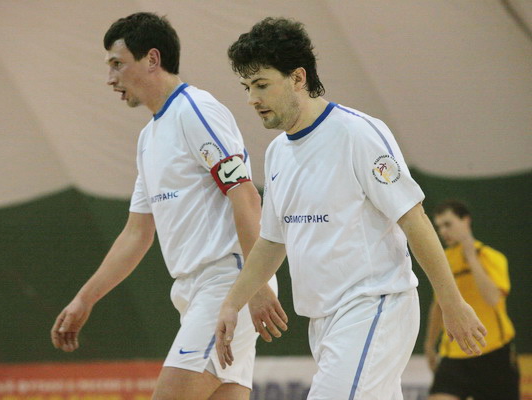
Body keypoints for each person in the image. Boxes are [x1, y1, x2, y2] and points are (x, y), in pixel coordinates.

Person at [215, 17, 487, 399]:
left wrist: (451, 302)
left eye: (261, 85)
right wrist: (232, 303)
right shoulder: (277, 153)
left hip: (374, 307)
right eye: (247, 87)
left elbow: (414, 220)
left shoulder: (357, 133)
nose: (251, 99)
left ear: (297, 78)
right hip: (324, 322)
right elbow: (272, 242)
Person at [50, 12, 283, 400]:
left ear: (152, 59)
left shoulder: (196, 111)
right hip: (194, 294)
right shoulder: (149, 138)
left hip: (226, 285)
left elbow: (245, 195)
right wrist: (84, 299)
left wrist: (253, 286)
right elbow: (136, 233)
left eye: (117, 64)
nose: (110, 78)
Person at [425, 200, 520, 400]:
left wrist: (470, 256)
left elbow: (492, 298)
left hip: (494, 352)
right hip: (454, 354)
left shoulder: (491, 257)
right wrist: (429, 343)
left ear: (465, 221)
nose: (443, 231)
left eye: (448, 224)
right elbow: (439, 305)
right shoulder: (443, 261)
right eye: (439, 227)